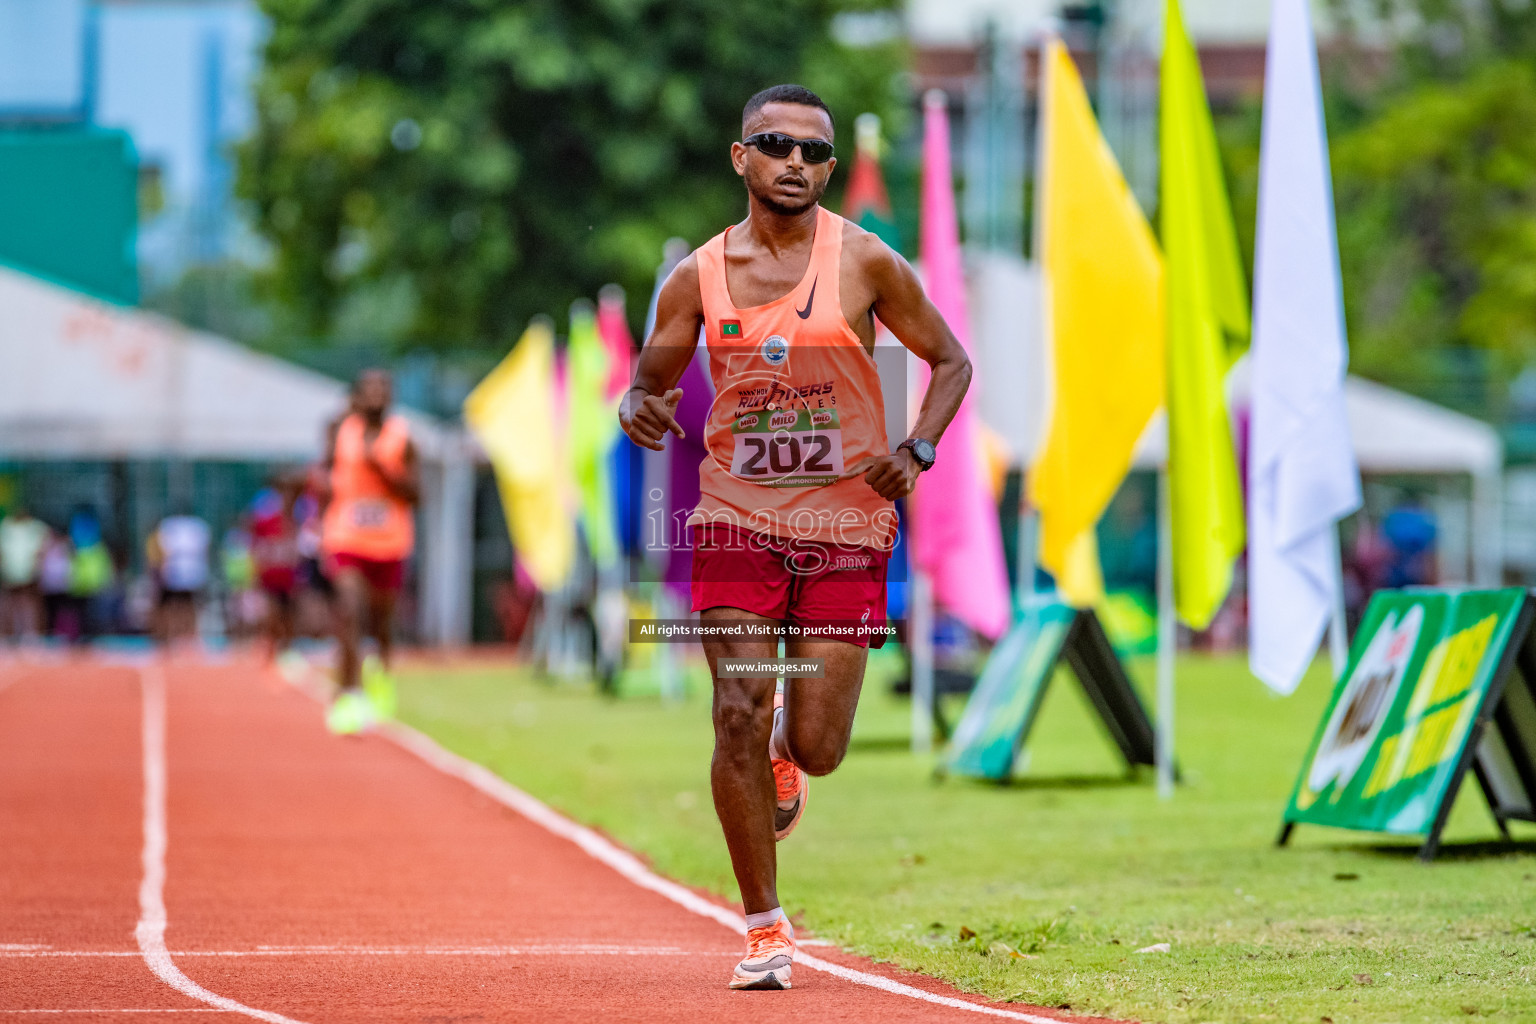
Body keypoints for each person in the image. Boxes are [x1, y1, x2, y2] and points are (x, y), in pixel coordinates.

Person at [617, 84, 971, 991]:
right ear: (742, 158)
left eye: (815, 152)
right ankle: (766, 930)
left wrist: (918, 448)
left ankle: (788, 757)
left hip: (849, 523)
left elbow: (950, 361)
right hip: (736, 515)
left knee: (816, 743)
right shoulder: (693, 276)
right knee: (737, 704)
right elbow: (647, 381)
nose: (797, 163)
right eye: (777, 144)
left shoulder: (866, 263)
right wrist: (640, 408)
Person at [320, 369, 419, 734]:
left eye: (384, 387)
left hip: (390, 541)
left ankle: (381, 677)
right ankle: (349, 693)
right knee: (350, 610)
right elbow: (326, 476)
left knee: (381, 622)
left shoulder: (404, 438)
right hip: (346, 538)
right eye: (370, 388)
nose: (377, 394)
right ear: (357, 397)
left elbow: (416, 495)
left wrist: (383, 470)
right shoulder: (339, 432)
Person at [250, 473, 305, 661]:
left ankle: (288, 647)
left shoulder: (296, 522)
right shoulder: (265, 521)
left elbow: (299, 547)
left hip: (289, 575)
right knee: (272, 613)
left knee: (289, 614)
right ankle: (272, 646)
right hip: (272, 574)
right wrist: (258, 568)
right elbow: (257, 545)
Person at [150, 509, 211, 644]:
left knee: (178, 606)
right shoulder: (195, 528)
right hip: (184, 573)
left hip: (178, 573)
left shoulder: (168, 529)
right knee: (179, 606)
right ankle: (174, 635)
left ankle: (177, 635)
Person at [0, 504, 50, 641]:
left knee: (30, 603)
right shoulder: (7, 526)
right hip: (11, 572)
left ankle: (31, 634)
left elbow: (45, 543)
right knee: (9, 604)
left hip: (29, 573)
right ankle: (7, 635)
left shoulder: (34, 527)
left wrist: (38, 562)